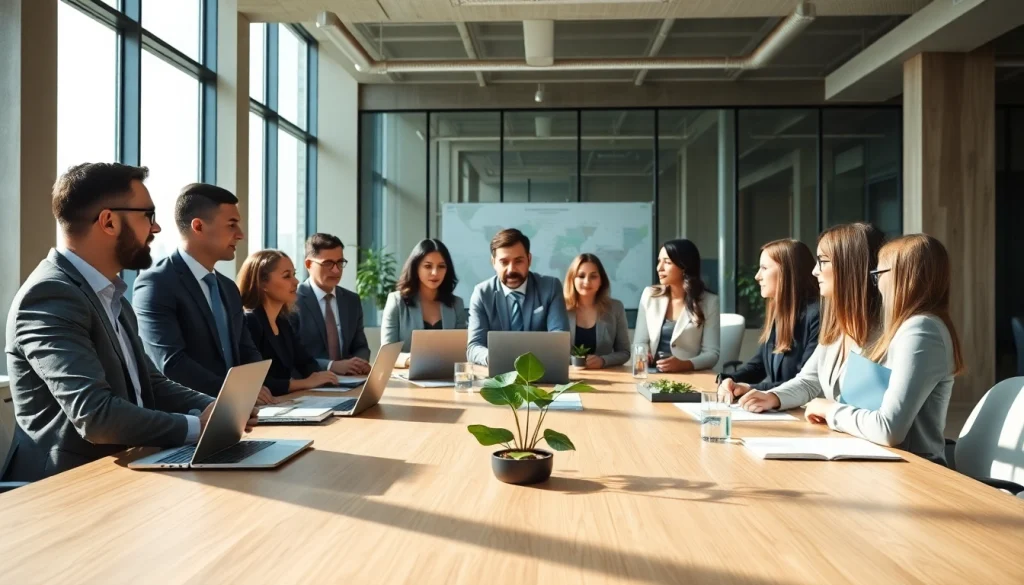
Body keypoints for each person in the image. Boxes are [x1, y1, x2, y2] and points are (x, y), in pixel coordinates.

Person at [2, 163, 252, 483]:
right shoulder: (51, 296)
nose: (157, 228)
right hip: (68, 488)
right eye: (148, 215)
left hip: (128, 469)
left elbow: (150, 383)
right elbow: (96, 415)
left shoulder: (110, 294)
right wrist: (197, 427)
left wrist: (219, 409)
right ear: (108, 221)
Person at [801, 235, 962, 461]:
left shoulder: (921, 329)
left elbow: (888, 429)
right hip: (881, 461)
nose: (875, 285)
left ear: (905, 277)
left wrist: (830, 410)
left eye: (878, 275)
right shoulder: (906, 327)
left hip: (915, 472)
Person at [133, 183, 273, 404]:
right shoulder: (156, 284)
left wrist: (252, 388)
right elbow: (171, 364)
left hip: (239, 413)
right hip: (187, 421)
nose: (240, 235)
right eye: (232, 225)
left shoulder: (227, 287)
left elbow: (246, 350)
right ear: (198, 226)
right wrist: (235, 394)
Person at [736, 223, 885, 414]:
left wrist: (829, 411)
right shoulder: (837, 327)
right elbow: (809, 381)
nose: (815, 271)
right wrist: (773, 397)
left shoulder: (886, 332)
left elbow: (881, 419)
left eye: (822, 261)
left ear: (849, 267)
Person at [718, 239, 820, 395]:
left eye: (764, 268)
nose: (757, 277)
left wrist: (751, 389)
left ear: (788, 272)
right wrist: (729, 379)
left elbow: (804, 383)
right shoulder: (780, 313)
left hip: (802, 411)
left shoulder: (816, 316)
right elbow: (759, 366)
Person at [238, 250, 339, 396]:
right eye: (286, 276)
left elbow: (306, 363)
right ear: (263, 283)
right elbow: (258, 383)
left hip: (286, 402)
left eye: (294, 274)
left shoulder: (283, 321)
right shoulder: (250, 321)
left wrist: (325, 377)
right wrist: (304, 383)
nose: (296, 282)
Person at [466, 228, 569, 366]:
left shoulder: (550, 287)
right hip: (498, 373)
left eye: (518, 261)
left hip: (539, 370)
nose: (511, 270)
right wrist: (494, 358)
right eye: (504, 262)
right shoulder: (482, 294)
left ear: (529, 259)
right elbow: (474, 347)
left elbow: (559, 339)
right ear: (493, 262)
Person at [633, 239, 720, 372]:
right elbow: (640, 342)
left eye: (667, 262)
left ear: (684, 266)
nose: (659, 268)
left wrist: (685, 364)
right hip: (651, 373)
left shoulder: (709, 302)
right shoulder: (650, 296)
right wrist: (643, 353)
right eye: (659, 261)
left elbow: (712, 354)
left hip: (689, 376)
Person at [291, 233, 371, 376]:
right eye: (328, 263)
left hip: (349, 381)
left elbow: (361, 346)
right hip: (310, 383)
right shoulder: (292, 301)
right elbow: (292, 355)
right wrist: (331, 366)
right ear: (308, 264)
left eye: (340, 262)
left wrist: (359, 363)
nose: (336, 270)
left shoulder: (352, 300)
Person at [382, 239, 467, 367]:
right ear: (416, 268)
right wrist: (413, 360)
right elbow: (386, 354)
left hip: (446, 378)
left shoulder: (456, 304)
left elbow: (462, 351)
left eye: (441, 266)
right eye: (428, 266)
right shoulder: (396, 302)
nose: (435, 273)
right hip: (406, 379)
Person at [563, 253, 630, 369]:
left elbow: (625, 352)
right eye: (581, 276)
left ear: (601, 281)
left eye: (593, 276)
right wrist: (576, 361)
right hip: (567, 378)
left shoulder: (615, 307)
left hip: (607, 378)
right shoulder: (559, 308)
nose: (587, 282)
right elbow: (549, 352)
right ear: (572, 279)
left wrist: (603, 360)